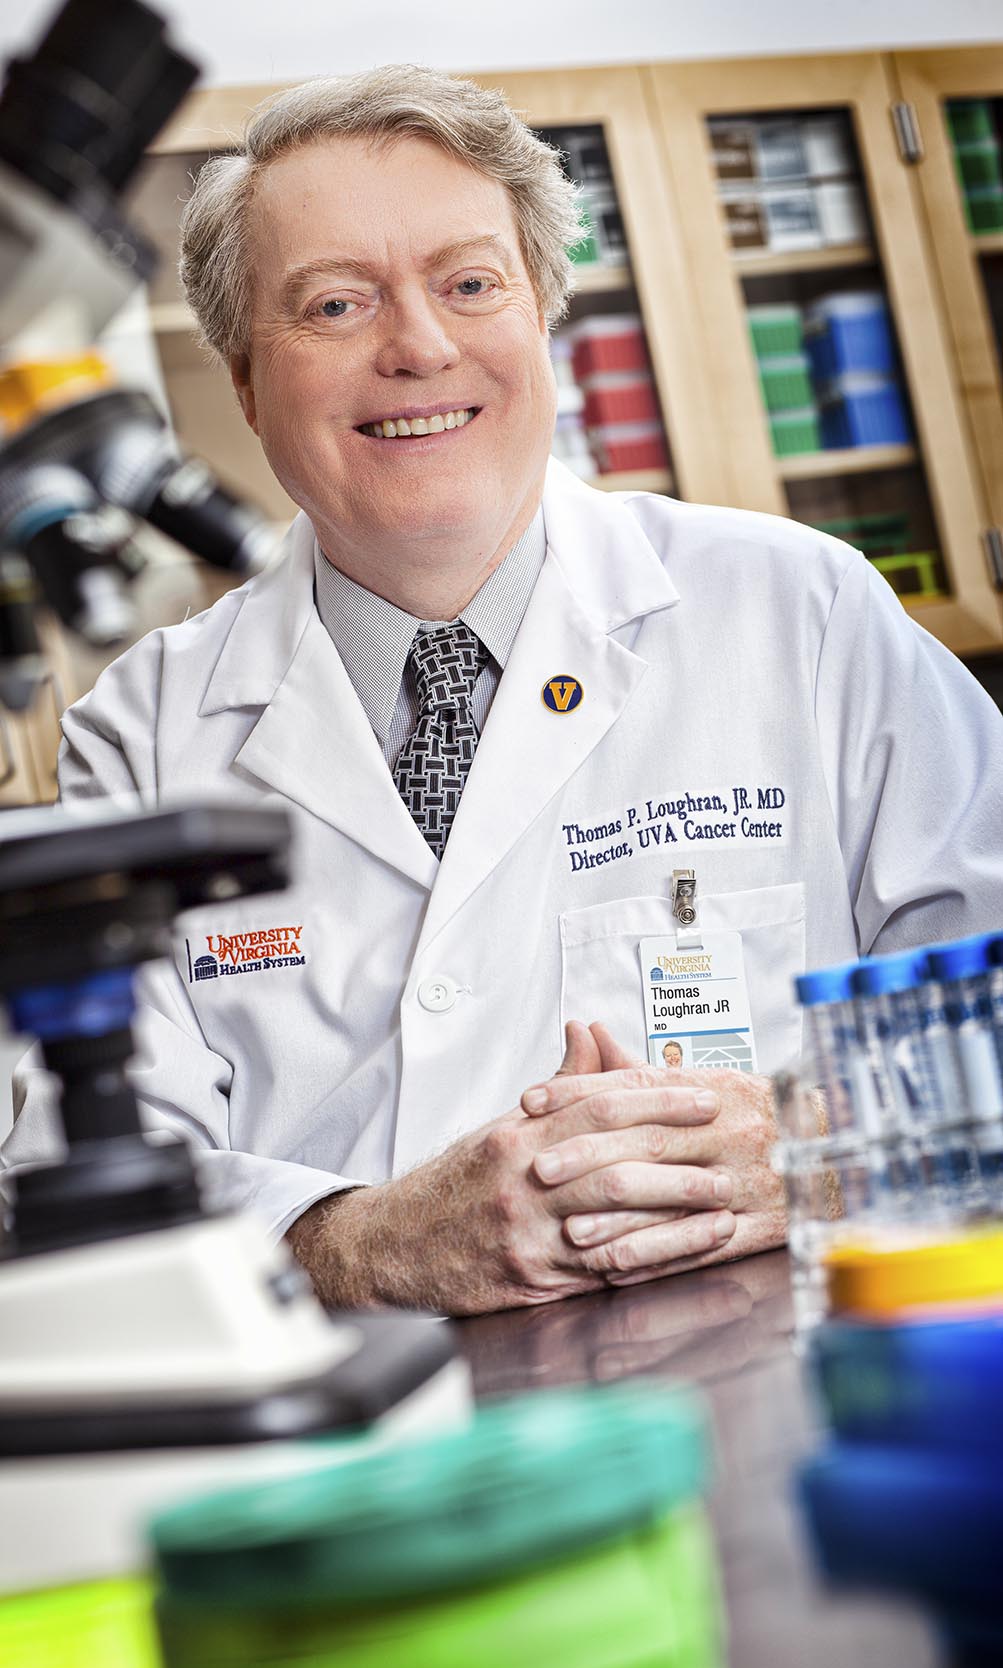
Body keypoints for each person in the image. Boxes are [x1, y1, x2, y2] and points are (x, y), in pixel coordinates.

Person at [4, 66, 1003, 1316]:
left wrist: (814, 1138)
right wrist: (360, 1240)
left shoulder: (803, 611)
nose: (418, 345)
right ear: (247, 383)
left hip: (794, 1375)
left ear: (542, 318)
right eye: (334, 303)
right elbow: (87, 1183)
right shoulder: (143, 735)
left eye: (470, 283)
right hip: (367, 1438)